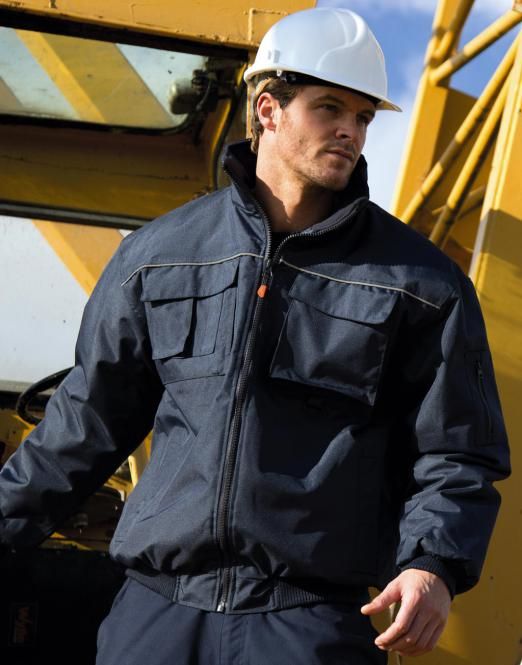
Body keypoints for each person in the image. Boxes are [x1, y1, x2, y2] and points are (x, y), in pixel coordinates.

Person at [0, 7, 510, 664]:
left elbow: (456, 452)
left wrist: (433, 563)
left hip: (308, 621)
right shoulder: (160, 256)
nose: (351, 131)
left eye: (363, 117)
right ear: (269, 109)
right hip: (157, 612)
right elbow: (85, 421)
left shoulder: (419, 283)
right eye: (329, 109)